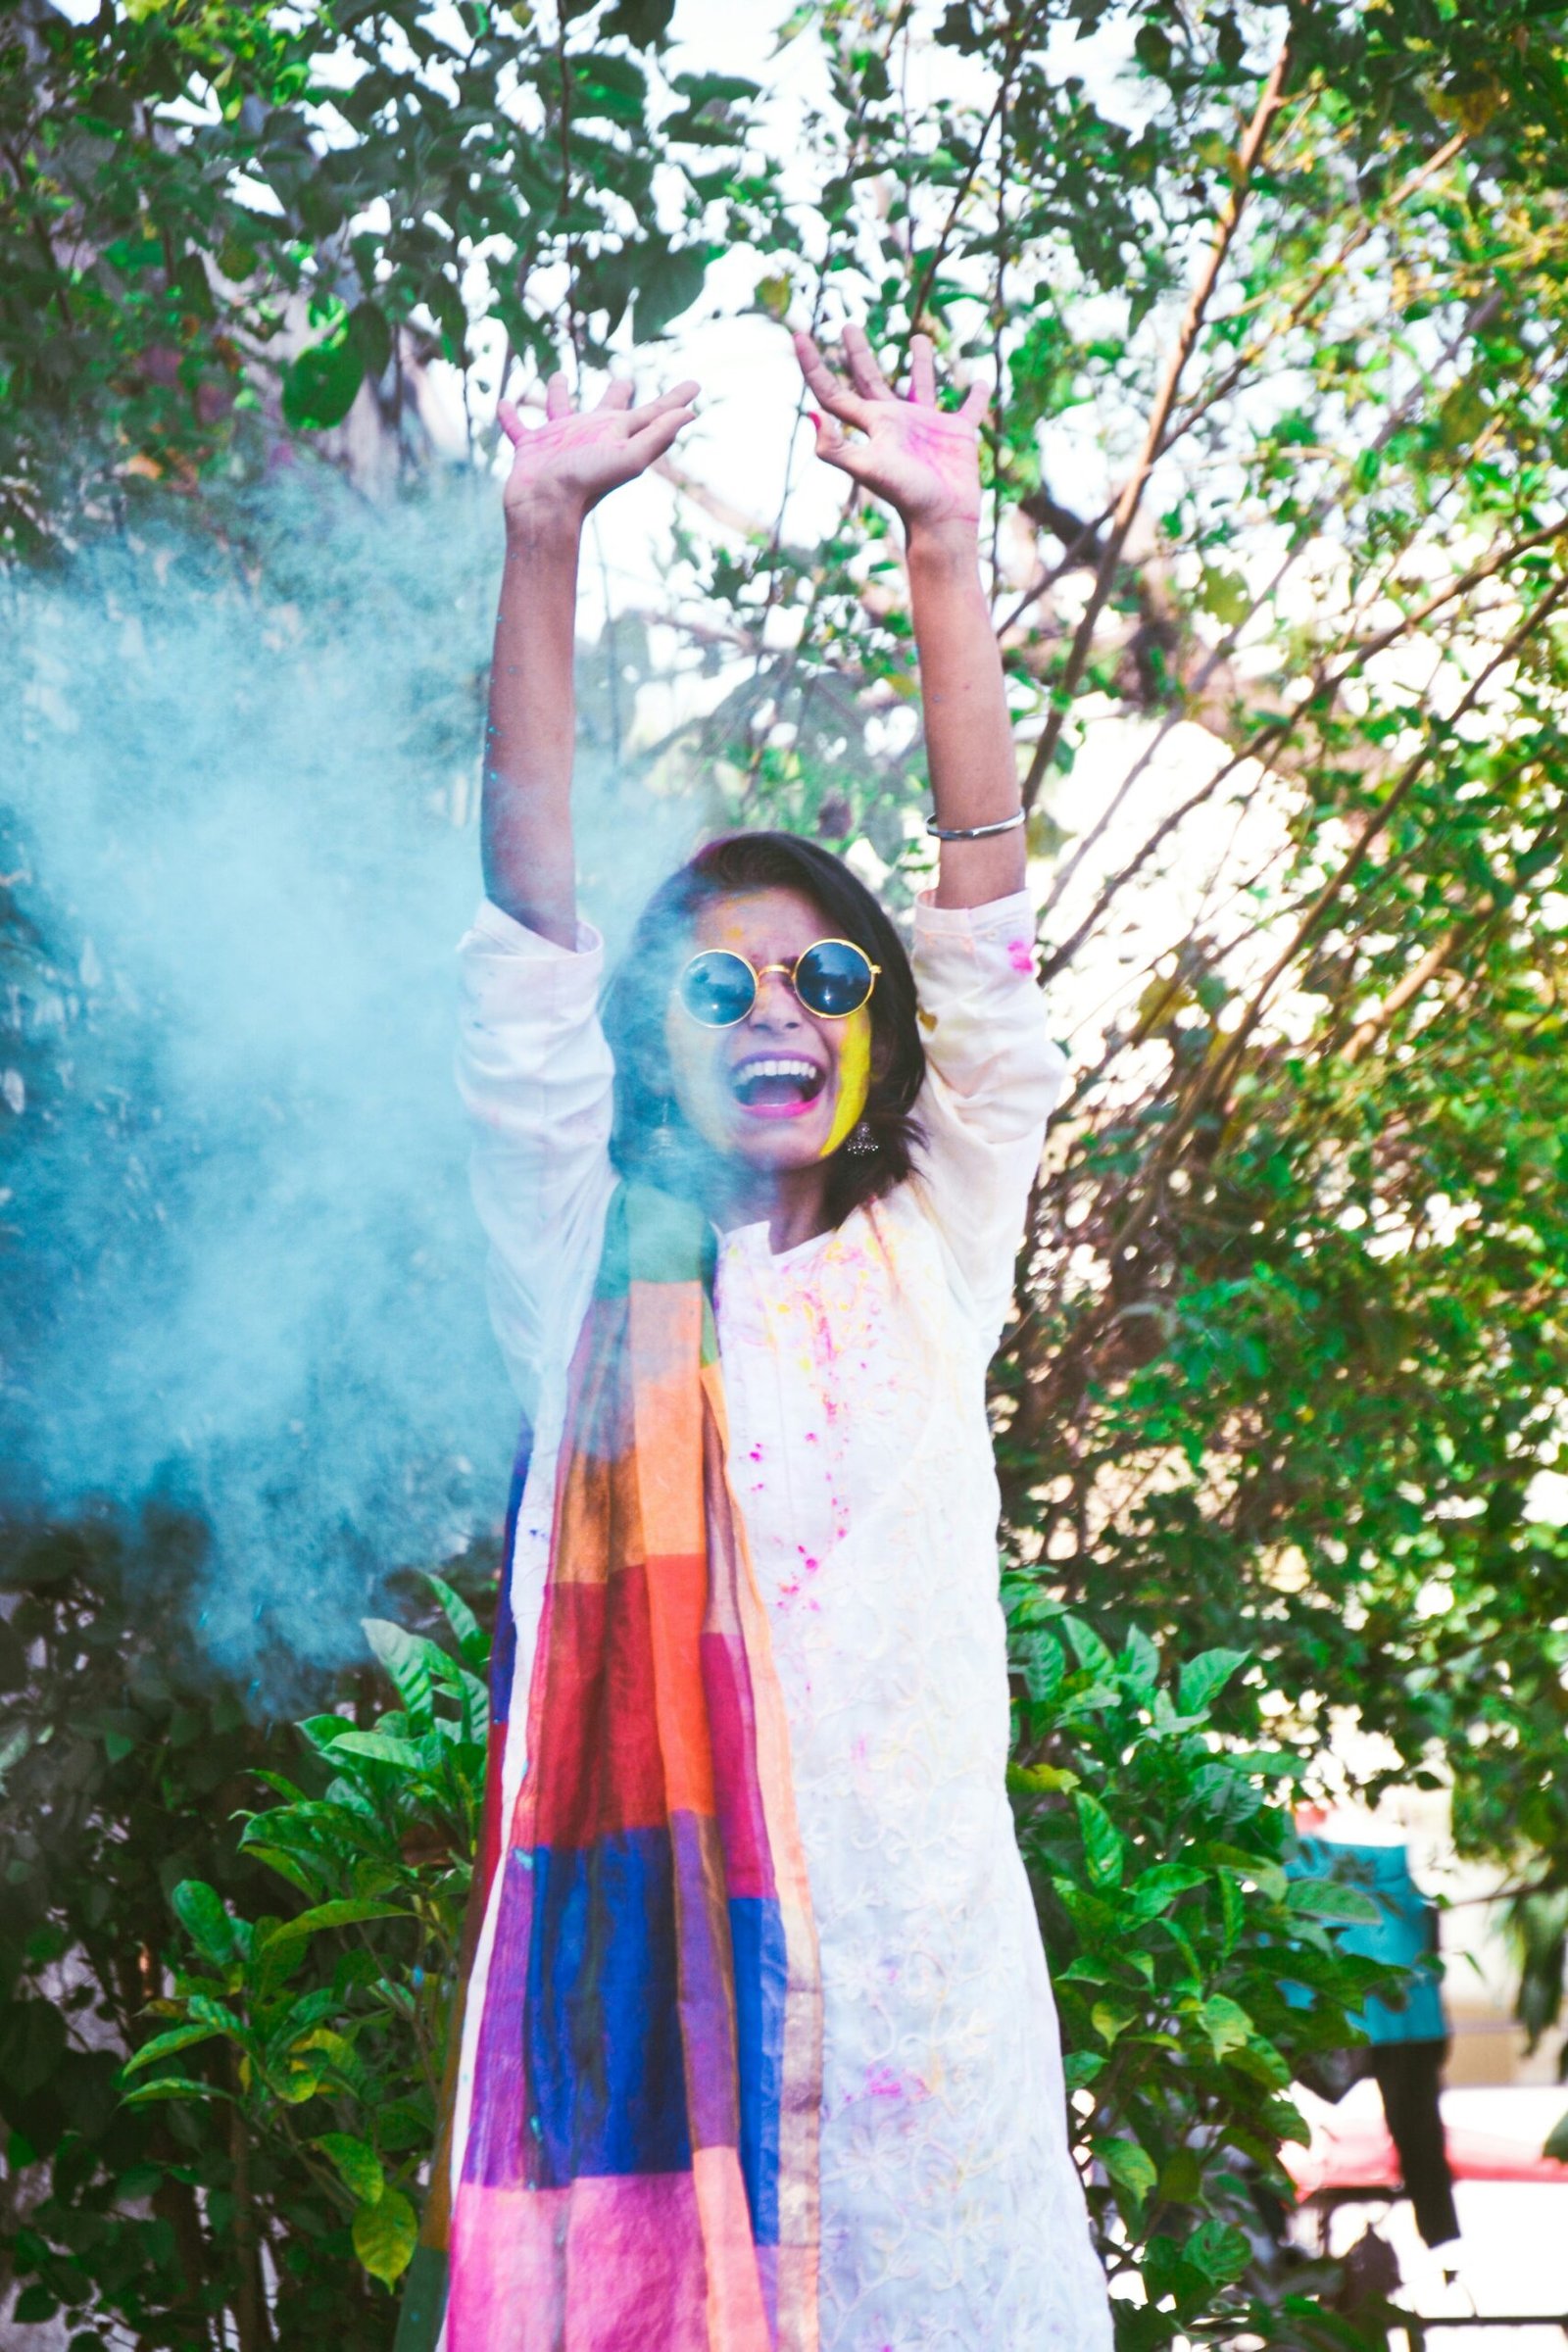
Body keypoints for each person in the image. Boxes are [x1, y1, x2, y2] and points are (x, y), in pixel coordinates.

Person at [412, 325, 1112, 2352]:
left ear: (875, 1025)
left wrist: (947, 552)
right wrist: (539, 541)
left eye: (817, 975)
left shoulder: (931, 1240)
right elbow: (523, 952)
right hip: (653, 2059)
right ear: (649, 1046)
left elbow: (986, 944)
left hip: (922, 2052)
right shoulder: (582, 1261)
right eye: (712, 994)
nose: (775, 1016)